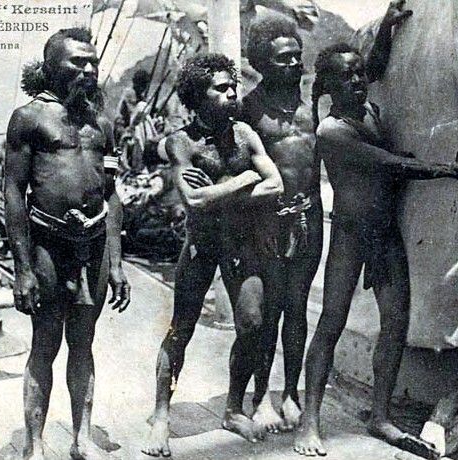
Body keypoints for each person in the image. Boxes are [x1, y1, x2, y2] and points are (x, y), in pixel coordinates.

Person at [294, 33, 458, 460]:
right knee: (331, 324)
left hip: (384, 234)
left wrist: (387, 28)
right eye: (346, 77)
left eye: (359, 74)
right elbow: (390, 164)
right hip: (350, 236)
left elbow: (376, 68)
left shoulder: (372, 111)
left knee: (395, 324)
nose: (358, 82)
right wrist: (448, 171)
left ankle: (380, 416)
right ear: (328, 87)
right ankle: (310, 420)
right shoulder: (332, 131)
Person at [142, 53, 284, 457]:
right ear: (195, 96)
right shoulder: (180, 142)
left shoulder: (244, 135)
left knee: (253, 323)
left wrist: (220, 190)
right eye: (220, 89)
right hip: (201, 246)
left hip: (241, 244)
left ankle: (234, 409)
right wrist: (241, 179)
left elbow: (275, 186)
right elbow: (193, 200)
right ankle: (162, 416)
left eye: (232, 86)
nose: (231, 93)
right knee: (180, 329)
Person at [4, 27, 131, 460]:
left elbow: (111, 194)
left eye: (92, 62)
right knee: (45, 342)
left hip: (93, 246)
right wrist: (22, 269)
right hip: (47, 248)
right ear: (51, 66)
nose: (89, 69)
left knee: (84, 342)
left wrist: (116, 262)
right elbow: (13, 193)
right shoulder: (29, 119)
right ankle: (34, 445)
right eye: (77, 62)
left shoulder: (103, 124)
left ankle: (82, 438)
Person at [240, 15, 321, 433]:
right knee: (268, 310)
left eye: (297, 57)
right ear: (263, 62)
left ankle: (290, 392)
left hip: (310, 217)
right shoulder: (248, 108)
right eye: (284, 59)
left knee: (298, 307)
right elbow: (238, 167)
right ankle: (261, 397)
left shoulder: (313, 101)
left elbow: (367, 69)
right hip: (267, 222)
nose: (294, 65)